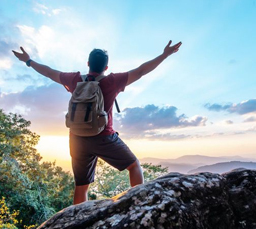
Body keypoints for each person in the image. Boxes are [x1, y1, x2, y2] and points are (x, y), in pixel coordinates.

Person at [12, 40, 182, 204]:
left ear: (88, 63)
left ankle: (76, 223)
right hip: (104, 137)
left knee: (81, 187)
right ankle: (139, 206)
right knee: (134, 166)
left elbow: (49, 72)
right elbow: (140, 71)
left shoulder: (75, 79)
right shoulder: (111, 81)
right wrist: (164, 55)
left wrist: (28, 61)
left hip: (77, 139)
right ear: (106, 67)